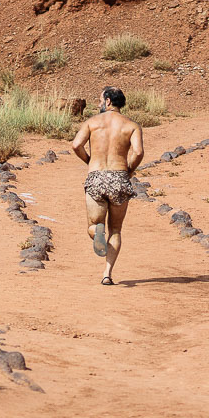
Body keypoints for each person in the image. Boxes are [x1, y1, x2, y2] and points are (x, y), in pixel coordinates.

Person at [71, 86, 145, 285]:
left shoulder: (92, 122)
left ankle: (97, 233)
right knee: (117, 229)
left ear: (108, 101)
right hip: (119, 178)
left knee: (94, 226)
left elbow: (76, 145)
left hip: (96, 177)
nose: (98, 104)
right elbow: (138, 152)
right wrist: (129, 170)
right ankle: (107, 274)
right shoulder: (132, 126)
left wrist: (89, 161)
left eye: (100, 100)